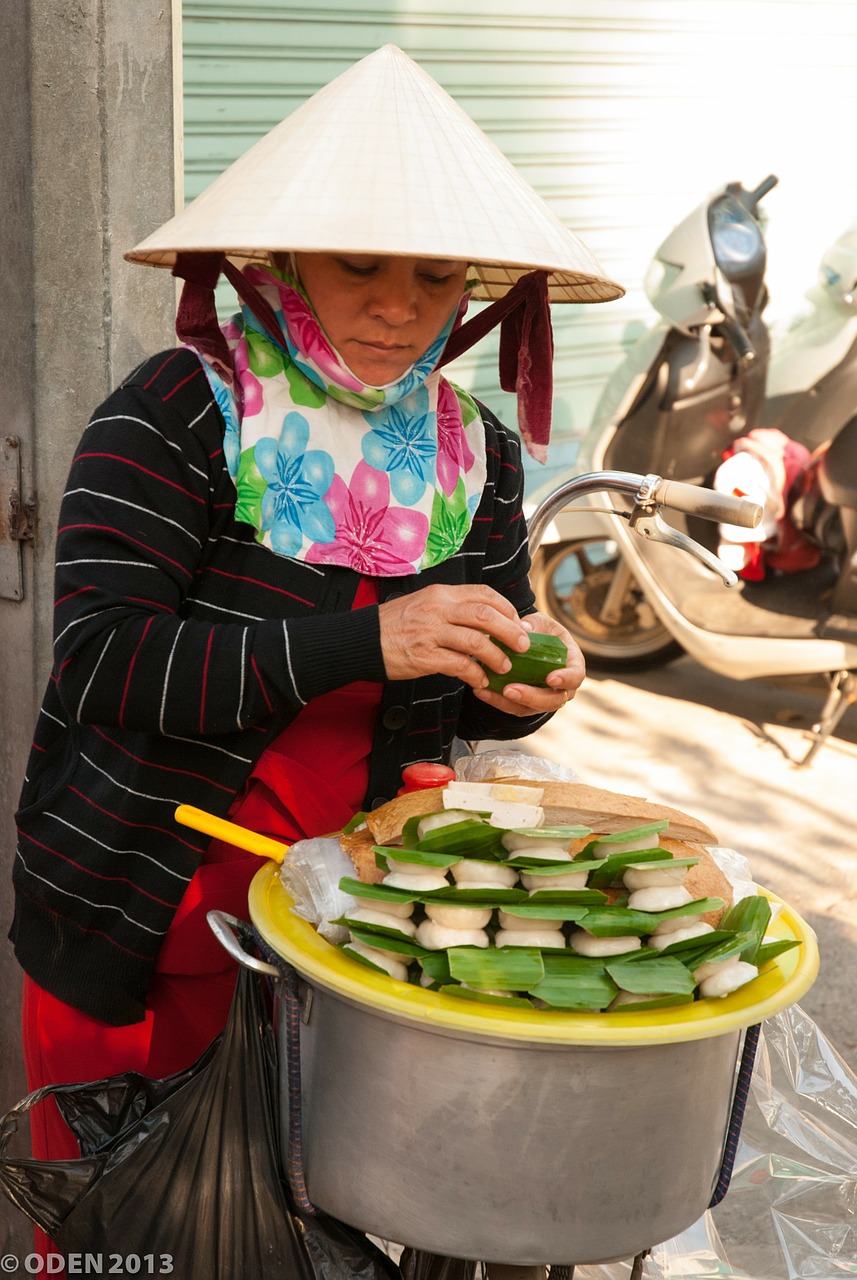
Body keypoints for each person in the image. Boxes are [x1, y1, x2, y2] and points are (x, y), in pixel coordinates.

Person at [11, 42, 623, 1235]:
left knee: (297, 1223)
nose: (400, 305)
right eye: (359, 264)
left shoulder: (472, 451)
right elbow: (104, 662)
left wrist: (536, 674)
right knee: (110, 1227)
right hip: (145, 915)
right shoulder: (180, 409)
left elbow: (472, 685)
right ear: (281, 257)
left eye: (438, 275)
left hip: (343, 936)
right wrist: (365, 642)